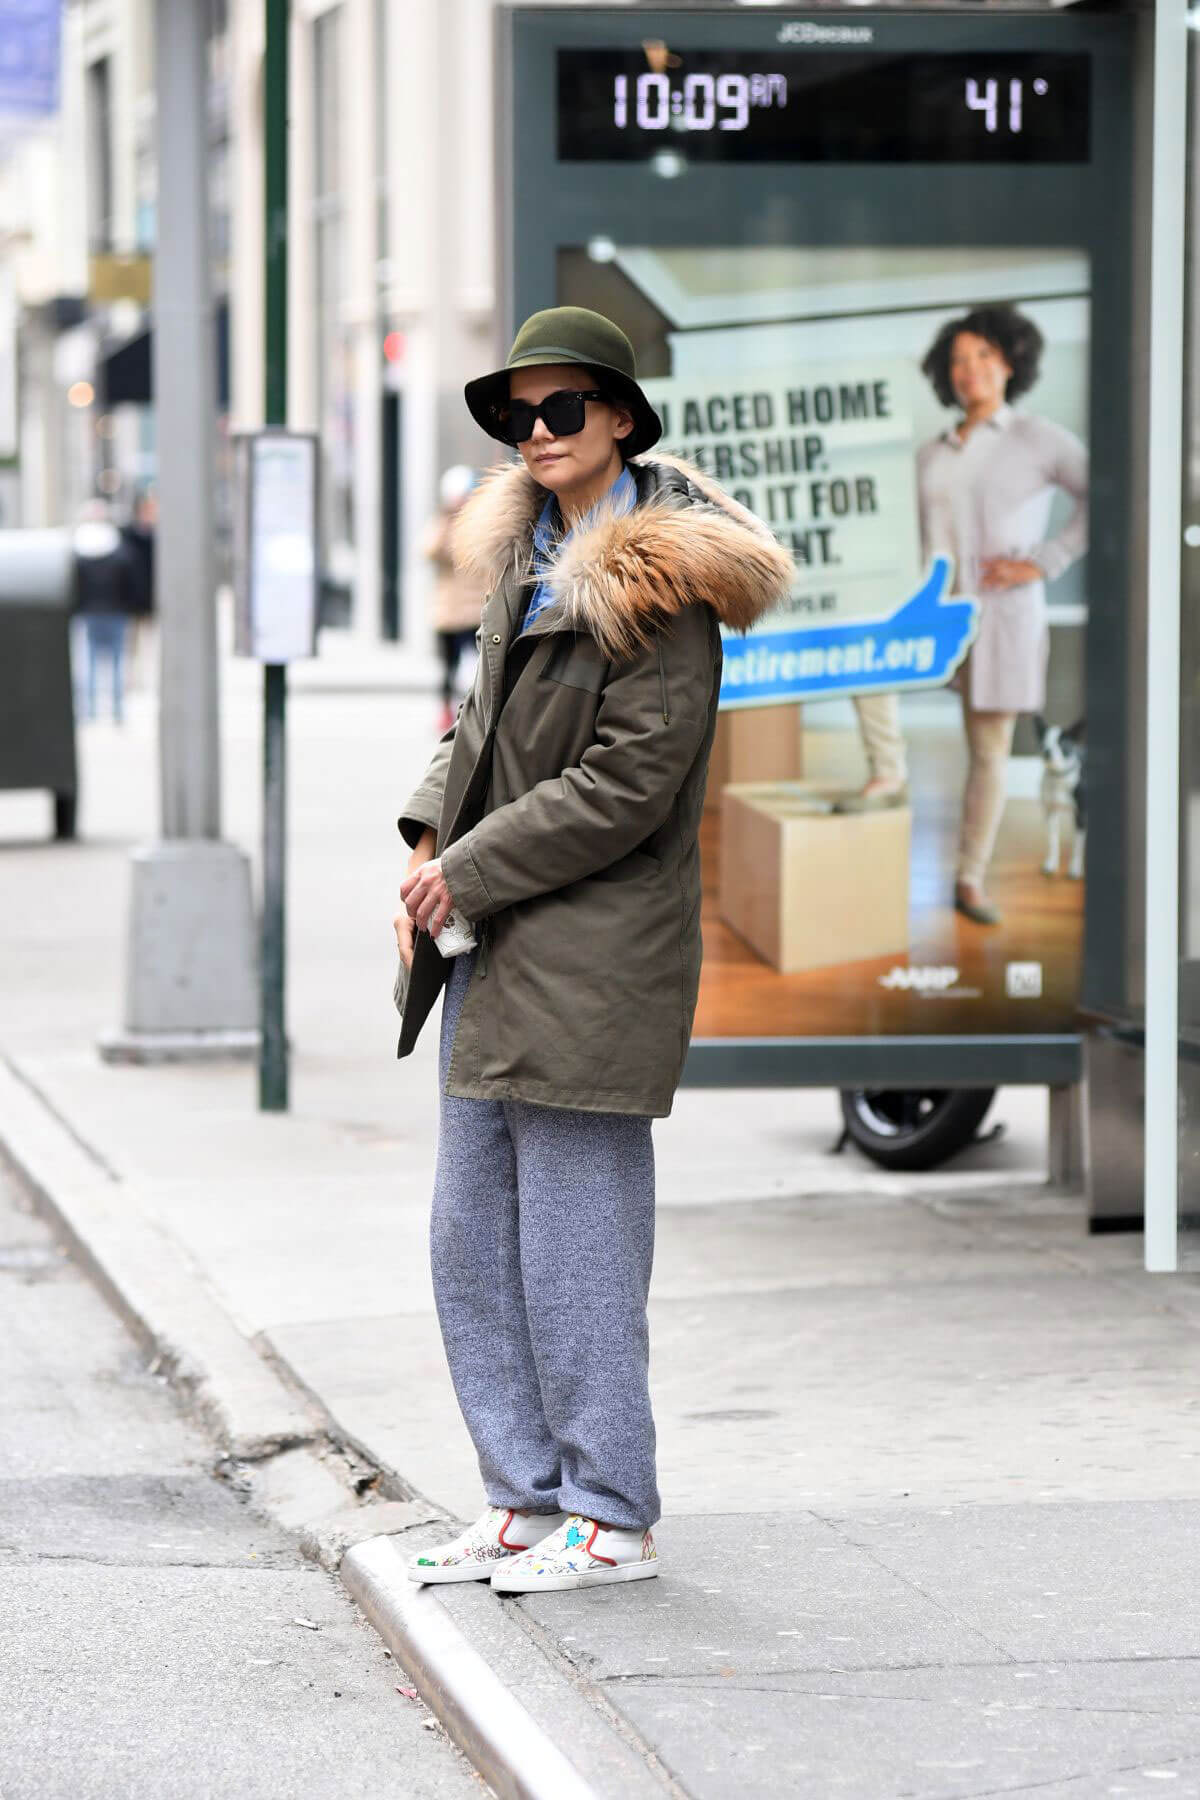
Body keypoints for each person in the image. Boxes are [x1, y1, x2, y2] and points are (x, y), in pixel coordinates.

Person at [391, 306, 792, 1593]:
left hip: (594, 951)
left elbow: (631, 782)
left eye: (564, 408)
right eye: (520, 413)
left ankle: (612, 1515)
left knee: (577, 1247)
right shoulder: (530, 558)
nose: (539, 431)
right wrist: (423, 833)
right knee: (472, 1234)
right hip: (493, 947)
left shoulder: (658, 580)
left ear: (621, 416)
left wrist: (471, 865)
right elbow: (476, 727)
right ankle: (523, 1499)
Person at [915, 303, 1088, 924]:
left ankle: (969, 880)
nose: (970, 371)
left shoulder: (1036, 438)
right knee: (896, 715)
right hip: (934, 622)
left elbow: (1103, 490)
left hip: (1002, 620)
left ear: (1010, 362)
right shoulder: (930, 455)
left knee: (988, 751)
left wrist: (1045, 559)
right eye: (958, 360)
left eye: (983, 356)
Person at [421, 464, 484, 733]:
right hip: (449, 611)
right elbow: (429, 550)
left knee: (480, 668)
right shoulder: (442, 523)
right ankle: (447, 711)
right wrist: (447, 520)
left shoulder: (482, 522)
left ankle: (474, 712)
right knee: (449, 667)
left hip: (476, 610)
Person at [72, 499, 141, 723]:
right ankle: (116, 710)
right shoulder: (118, 549)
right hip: (115, 610)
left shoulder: (80, 550)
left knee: (91, 661)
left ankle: (91, 710)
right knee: (116, 660)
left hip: (91, 611)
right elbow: (131, 579)